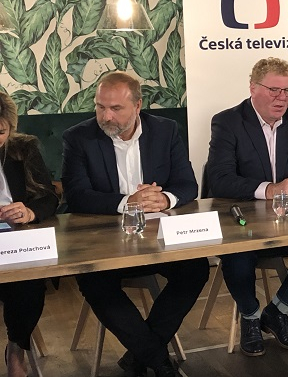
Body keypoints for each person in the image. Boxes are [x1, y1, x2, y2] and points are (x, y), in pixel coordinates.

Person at [62, 71, 210, 377]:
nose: (106, 116)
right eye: (100, 107)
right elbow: (76, 196)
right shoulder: (78, 137)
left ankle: (139, 357)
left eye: (116, 108)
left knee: (195, 269)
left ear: (138, 105)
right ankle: (158, 359)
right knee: (94, 281)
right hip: (105, 240)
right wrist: (127, 202)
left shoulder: (165, 130)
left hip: (157, 237)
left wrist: (164, 199)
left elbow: (187, 185)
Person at [207, 57, 288, 357]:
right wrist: (270, 189)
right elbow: (220, 180)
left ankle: (278, 311)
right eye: (274, 90)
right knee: (238, 255)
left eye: (287, 90)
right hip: (241, 221)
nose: (282, 98)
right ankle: (250, 316)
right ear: (253, 88)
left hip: (286, 222)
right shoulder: (227, 122)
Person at [0, 92, 58, 377]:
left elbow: (49, 196)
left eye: (0, 132)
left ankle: (16, 348)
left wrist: (29, 212)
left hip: (16, 238)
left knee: (29, 286)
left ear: (11, 128)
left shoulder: (23, 148)